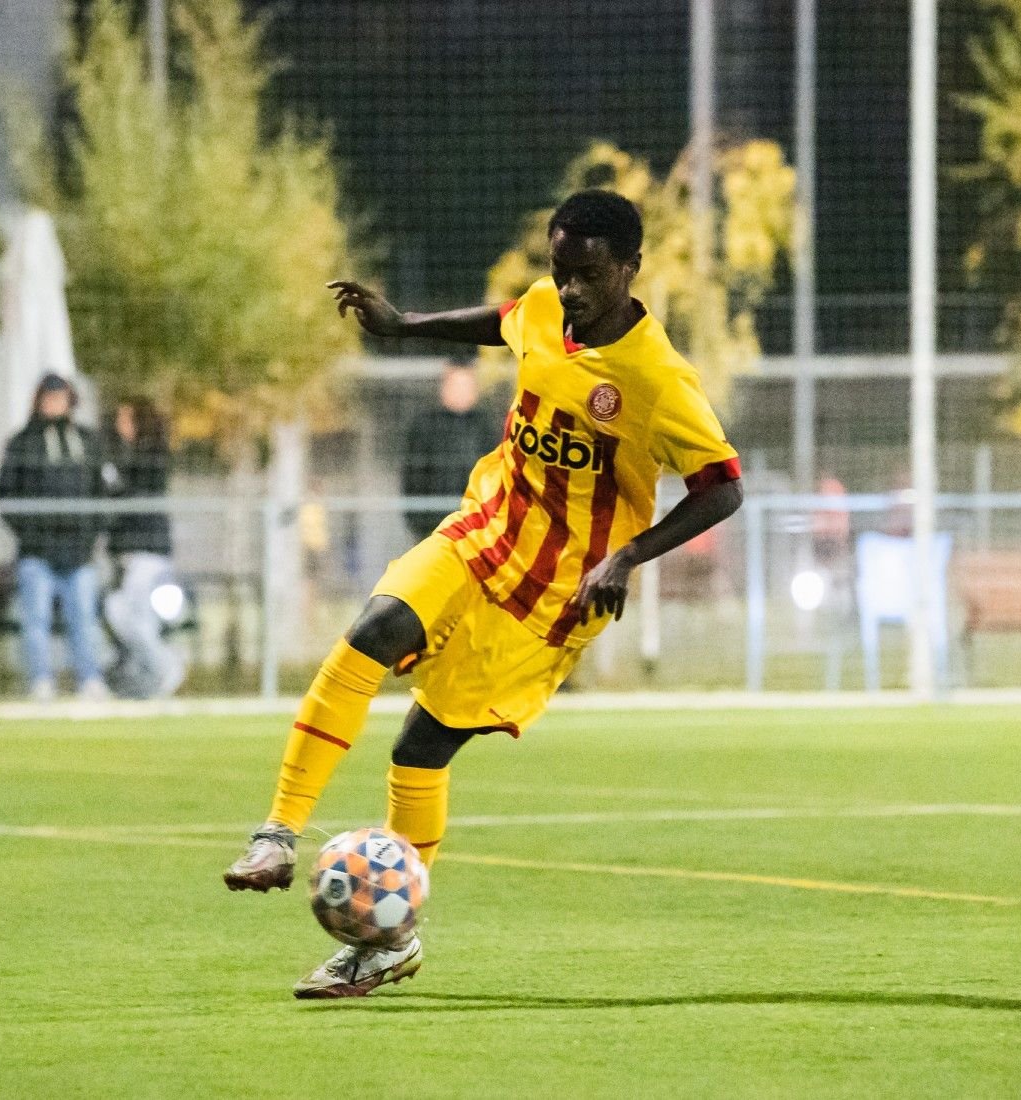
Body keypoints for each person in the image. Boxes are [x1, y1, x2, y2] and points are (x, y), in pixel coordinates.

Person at [223, 190, 744, 998]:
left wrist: (628, 559)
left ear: (631, 270)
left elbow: (723, 490)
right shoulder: (545, 306)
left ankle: (386, 943)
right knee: (373, 628)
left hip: (551, 596)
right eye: (560, 270)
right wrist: (404, 328)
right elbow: (504, 318)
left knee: (420, 750)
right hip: (484, 528)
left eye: (587, 275)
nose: (568, 291)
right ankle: (277, 833)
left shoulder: (657, 380)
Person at [0, 373, 108, 701]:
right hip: (37, 551)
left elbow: (103, 493)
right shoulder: (22, 443)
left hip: (79, 550)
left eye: (61, 398)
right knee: (36, 619)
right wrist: (28, 532)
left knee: (84, 619)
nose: (55, 404)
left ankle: (89, 678)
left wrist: (92, 533)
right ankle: (41, 680)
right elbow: (5, 495)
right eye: (49, 397)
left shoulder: (87, 441)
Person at [101, 398, 185, 698]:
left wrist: (113, 484)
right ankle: (149, 676)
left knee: (126, 612)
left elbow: (131, 497)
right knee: (125, 613)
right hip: (130, 552)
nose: (120, 426)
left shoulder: (150, 457)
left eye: (126, 419)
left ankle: (166, 665)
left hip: (146, 551)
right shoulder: (125, 456)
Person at [400, 360, 504, 541]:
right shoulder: (425, 426)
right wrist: (420, 523)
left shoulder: (485, 426)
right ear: (444, 388)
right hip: (433, 528)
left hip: (477, 529)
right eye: (456, 385)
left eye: (466, 386)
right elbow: (413, 476)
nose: (461, 392)